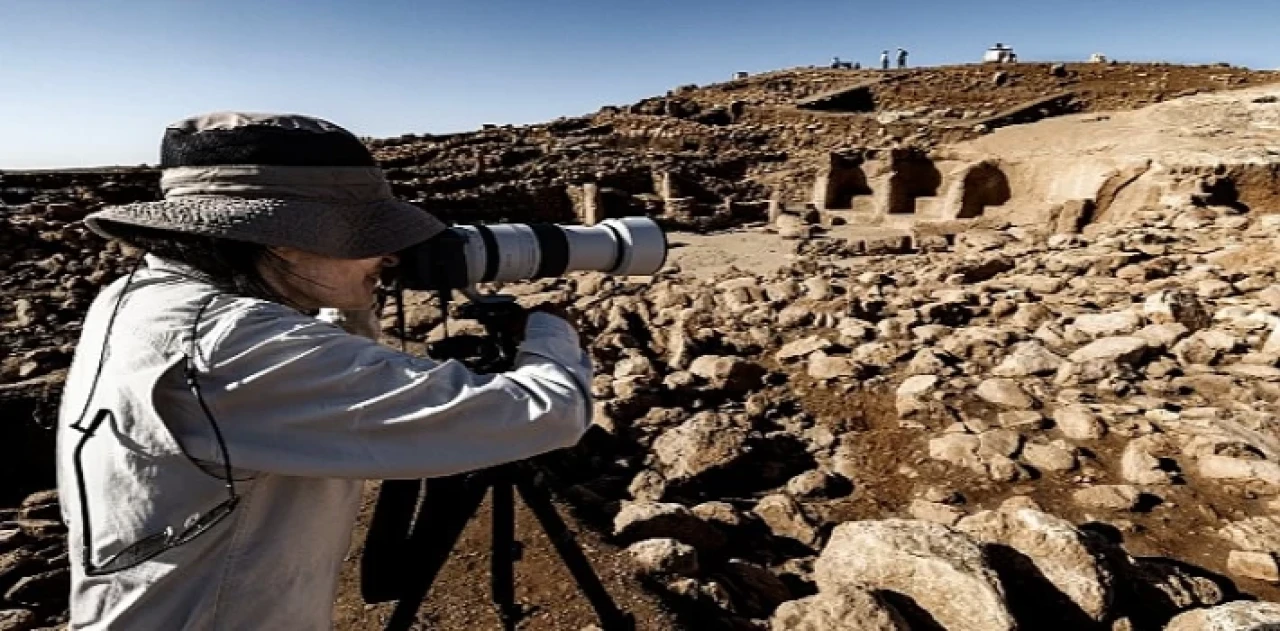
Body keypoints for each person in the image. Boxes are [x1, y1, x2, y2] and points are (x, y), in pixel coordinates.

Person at [54, 112, 594, 629]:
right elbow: (547, 413)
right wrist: (551, 331)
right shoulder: (233, 346)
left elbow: (320, 369)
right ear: (279, 235)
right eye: (366, 237)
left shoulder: (143, 298)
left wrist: (350, 292)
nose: (388, 257)